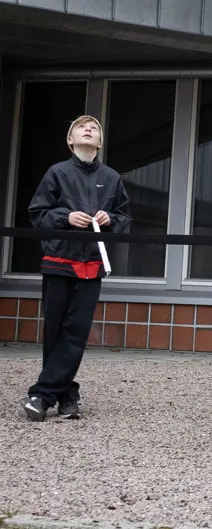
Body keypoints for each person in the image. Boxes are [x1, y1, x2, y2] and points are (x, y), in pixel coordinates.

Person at [22, 115, 131, 422]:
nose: (88, 129)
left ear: (99, 142)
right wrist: (65, 218)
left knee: (76, 332)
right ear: (70, 141)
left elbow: (125, 220)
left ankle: (42, 396)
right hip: (58, 263)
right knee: (56, 332)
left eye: (94, 128)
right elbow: (37, 213)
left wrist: (111, 221)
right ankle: (68, 395)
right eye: (80, 127)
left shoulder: (112, 177)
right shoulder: (56, 172)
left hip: (92, 265)